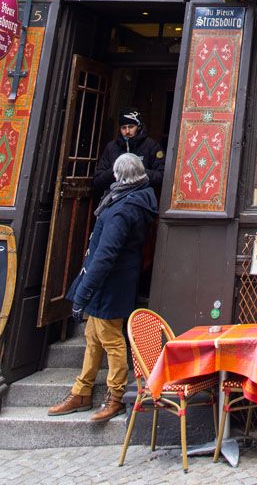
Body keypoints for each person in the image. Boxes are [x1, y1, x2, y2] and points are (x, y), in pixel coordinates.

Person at [48, 153, 158, 422]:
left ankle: (115, 395)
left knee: (110, 339)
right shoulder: (127, 198)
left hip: (111, 282)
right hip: (109, 282)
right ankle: (82, 390)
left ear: (120, 176)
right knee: (93, 337)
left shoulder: (123, 209)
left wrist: (84, 292)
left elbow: (106, 254)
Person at [94, 109, 164, 196]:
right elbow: (97, 180)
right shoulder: (111, 147)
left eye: (131, 127)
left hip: (140, 197)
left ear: (138, 127)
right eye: (123, 128)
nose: (127, 131)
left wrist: (137, 171)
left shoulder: (151, 146)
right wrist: (116, 170)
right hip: (114, 196)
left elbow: (161, 176)